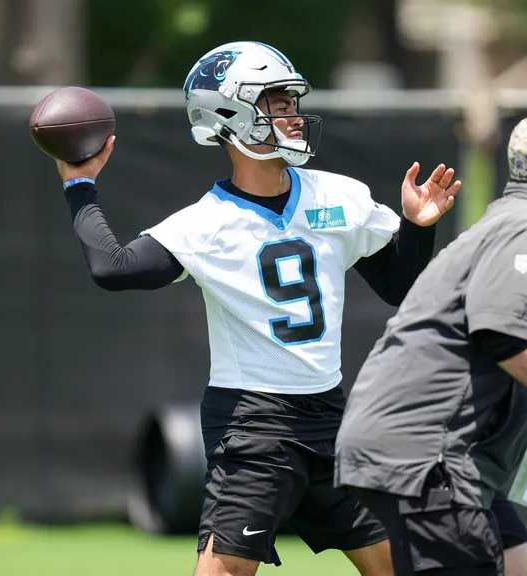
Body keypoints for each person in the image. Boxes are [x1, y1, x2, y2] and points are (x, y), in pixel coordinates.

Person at [54, 41, 461, 576]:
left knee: (399, 562)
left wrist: (417, 227)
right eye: (277, 103)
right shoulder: (206, 224)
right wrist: (79, 185)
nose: (292, 115)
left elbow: (398, 285)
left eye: (292, 102)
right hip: (254, 422)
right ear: (229, 114)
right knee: (225, 571)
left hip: (329, 417)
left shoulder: (339, 196)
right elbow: (114, 267)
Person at [335, 107, 527, 576]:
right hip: (428, 455)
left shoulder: (510, 220)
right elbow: (499, 328)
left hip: (436, 452)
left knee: (522, 568)